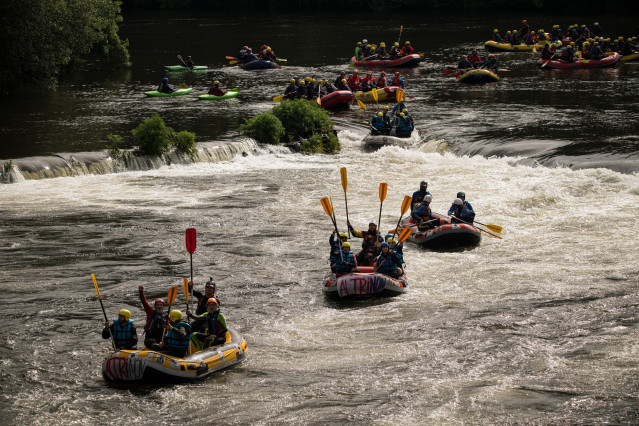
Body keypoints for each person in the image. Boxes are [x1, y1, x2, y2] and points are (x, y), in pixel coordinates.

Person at [138, 285, 167, 350]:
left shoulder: (167, 316)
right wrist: (141, 291)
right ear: (155, 306)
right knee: (151, 342)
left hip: (161, 339)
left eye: (161, 305)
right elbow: (144, 302)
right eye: (157, 305)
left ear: (163, 307)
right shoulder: (150, 313)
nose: (159, 307)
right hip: (150, 339)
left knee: (167, 340)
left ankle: (160, 347)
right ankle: (158, 347)